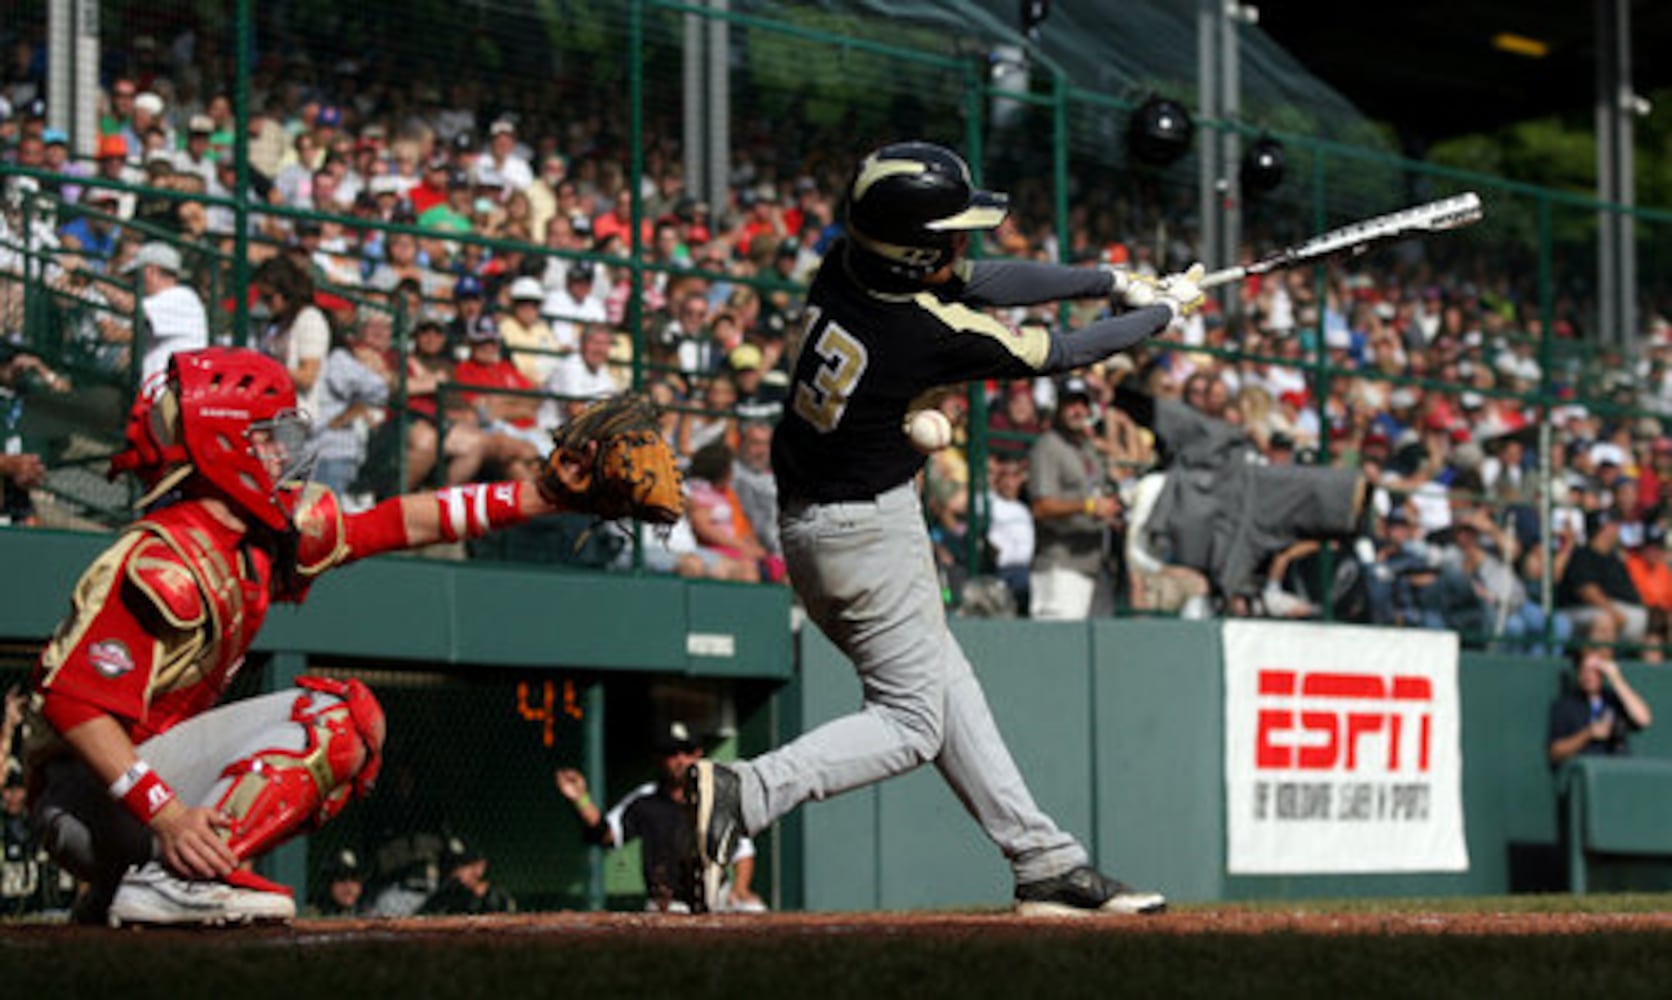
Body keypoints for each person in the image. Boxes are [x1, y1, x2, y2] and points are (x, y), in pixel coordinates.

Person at [686, 141, 1195, 917]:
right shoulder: (921, 330)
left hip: (818, 529)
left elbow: (985, 279)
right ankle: (746, 790)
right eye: (951, 231)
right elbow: (1060, 351)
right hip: (867, 535)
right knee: (913, 722)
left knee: (948, 691)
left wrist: (1108, 279)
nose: (966, 242)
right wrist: (1158, 314)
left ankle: (1044, 862)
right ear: (914, 249)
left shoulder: (845, 263)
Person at [21, 346, 609, 927]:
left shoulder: (249, 539)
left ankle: (131, 888)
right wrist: (170, 817)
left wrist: (540, 496)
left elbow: (396, 522)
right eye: (268, 436)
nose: (285, 452)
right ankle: (179, 879)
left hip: (124, 798)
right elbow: (73, 703)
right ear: (221, 446)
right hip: (86, 799)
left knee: (347, 725)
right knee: (336, 718)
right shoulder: (164, 557)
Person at [555, 721, 764, 914]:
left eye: (688, 751)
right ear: (660, 758)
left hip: (716, 896)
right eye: (672, 753)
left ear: (699, 754)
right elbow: (606, 834)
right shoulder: (646, 800)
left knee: (754, 908)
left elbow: (742, 851)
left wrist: (740, 889)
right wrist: (581, 799)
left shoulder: (718, 798)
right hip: (666, 902)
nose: (681, 760)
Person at [1028, 376, 1121, 619]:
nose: (1077, 411)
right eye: (1070, 404)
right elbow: (1040, 507)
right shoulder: (1048, 446)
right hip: (1060, 565)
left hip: (1095, 565)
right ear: (1058, 408)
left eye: (1082, 404)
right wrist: (1088, 506)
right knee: (1057, 649)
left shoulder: (1088, 449)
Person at [93, 242, 208, 391]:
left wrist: (96, 281)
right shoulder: (163, 302)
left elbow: (131, 306)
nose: (134, 282)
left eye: (137, 275)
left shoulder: (182, 296)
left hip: (172, 398)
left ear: (150, 271)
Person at [1547, 633, 1653, 766]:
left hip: (1616, 769)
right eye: (1584, 670)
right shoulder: (1565, 706)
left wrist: (1616, 679)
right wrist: (1588, 734)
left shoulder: (1614, 700)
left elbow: (1643, 719)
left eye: (1594, 670)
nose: (1588, 676)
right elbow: (1555, 752)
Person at [417, 836, 515, 915]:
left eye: (462, 866)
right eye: (450, 866)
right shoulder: (442, 898)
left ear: (480, 867)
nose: (456, 872)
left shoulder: (498, 899)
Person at [309, 846, 368, 917]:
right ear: (329, 883)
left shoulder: (369, 915)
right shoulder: (312, 916)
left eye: (354, 879)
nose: (349, 886)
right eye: (341, 879)